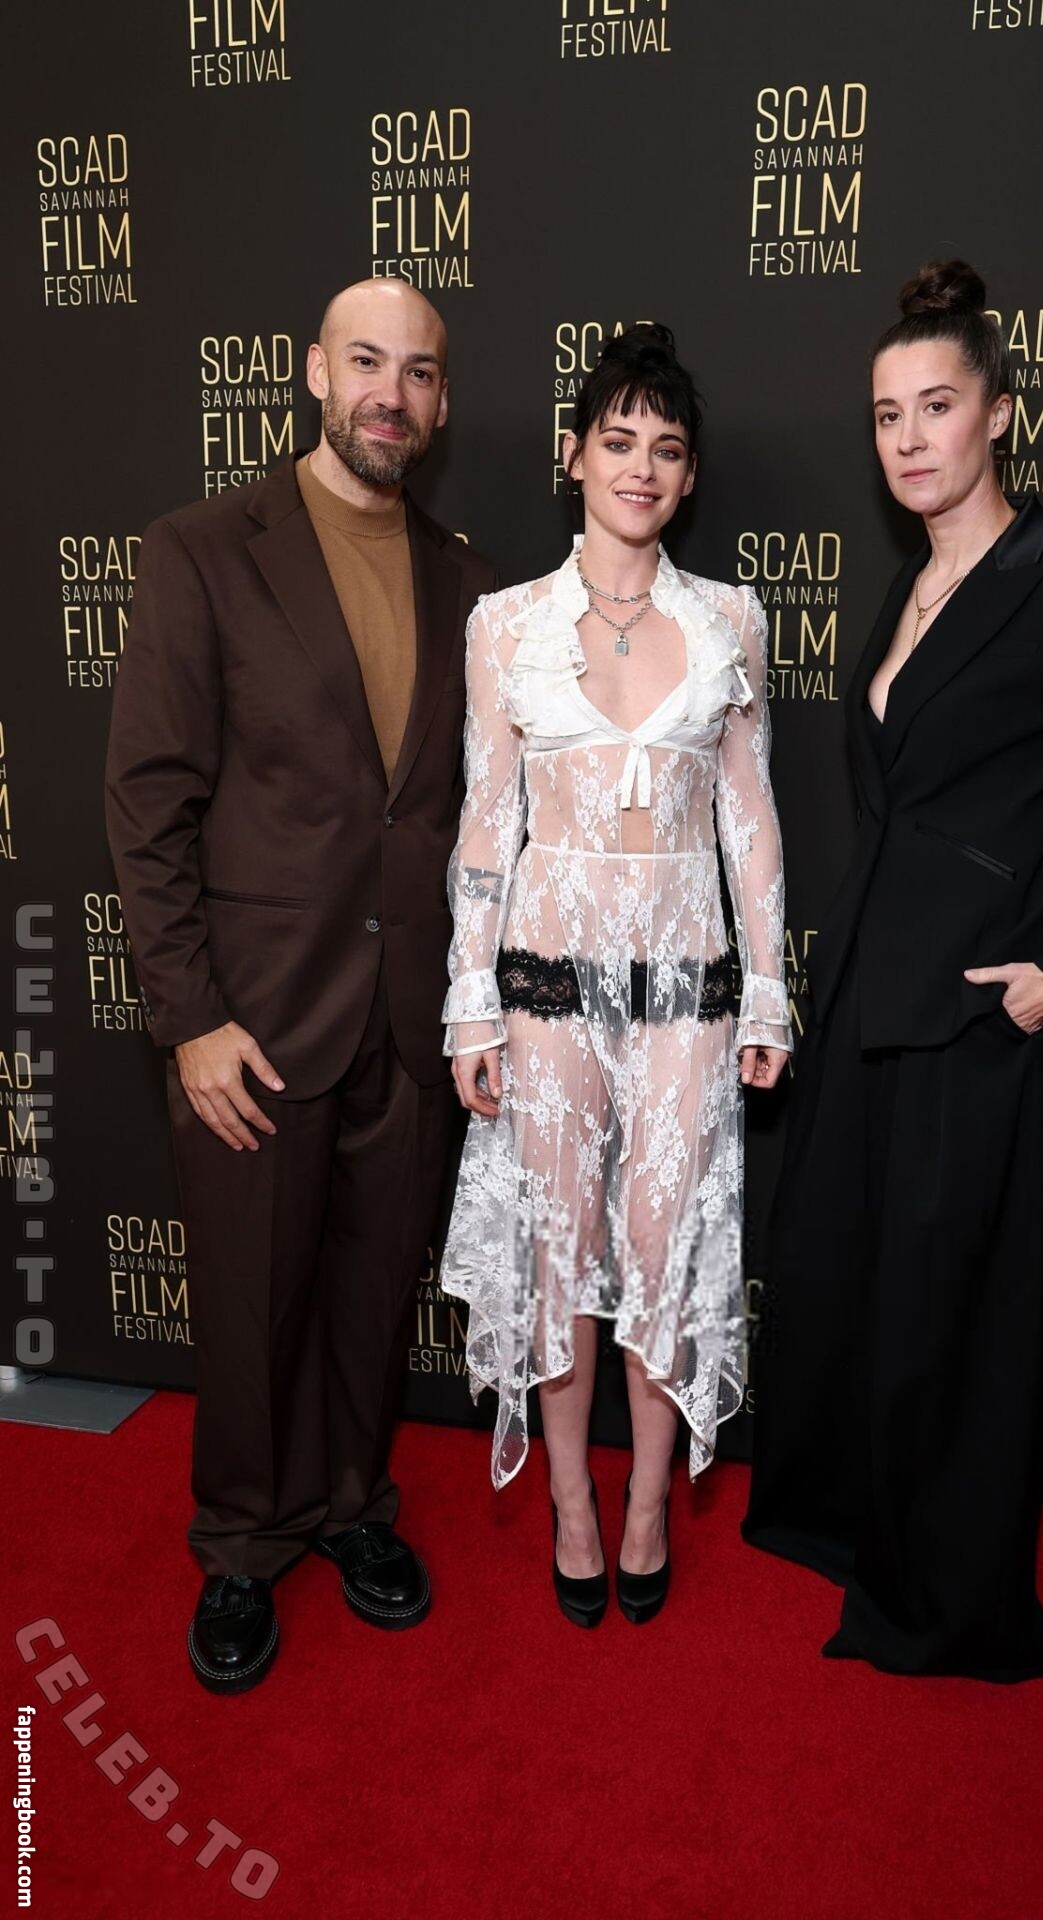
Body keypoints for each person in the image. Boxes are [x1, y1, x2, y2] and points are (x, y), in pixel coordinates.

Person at [742, 261, 1043, 1681]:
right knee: (858, 1292)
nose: (909, 439)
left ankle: (950, 1605)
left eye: (937, 406)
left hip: (984, 1024)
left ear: (1000, 413)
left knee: (954, 1319)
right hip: (870, 1001)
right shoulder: (908, 585)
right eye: (888, 415)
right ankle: (858, 1533)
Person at [105, 278, 496, 1693]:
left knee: (373, 1291)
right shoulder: (203, 549)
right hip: (254, 1019)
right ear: (316, 374)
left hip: (409, 1012)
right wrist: (190, 1017)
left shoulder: (468, 581)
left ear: (440, 402)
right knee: (248, 1299)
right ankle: (241, 1543)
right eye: (367, 363)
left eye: (419, 372)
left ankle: (349, 1507)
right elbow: (148, 801)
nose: (392, 393)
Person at [440, 324, 790, 1627]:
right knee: (560, 1251)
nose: (641, 467)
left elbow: (750, 821)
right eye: (619, 439)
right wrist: (470, 1003)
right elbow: (487, 824)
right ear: (574, 454)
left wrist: (769, 989)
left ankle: (645, 1500)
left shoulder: (731, 620)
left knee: (663, 1250)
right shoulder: (505, 626)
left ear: (687, 477)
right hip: (544, 986)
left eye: (668, 448)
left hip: (687, 988)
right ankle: (570, 1504)